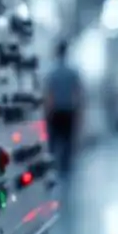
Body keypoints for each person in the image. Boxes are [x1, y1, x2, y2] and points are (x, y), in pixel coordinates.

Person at [44, 41, 83, 177]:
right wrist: (78, 112)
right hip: (69, 111)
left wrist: (48, 112)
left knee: (53, 141)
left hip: (55, 111)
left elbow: (49, 94)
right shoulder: (73, 72)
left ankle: (53, 167)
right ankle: (65, 169)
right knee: (67, 141)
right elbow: (77, 93)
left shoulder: (52, 72)